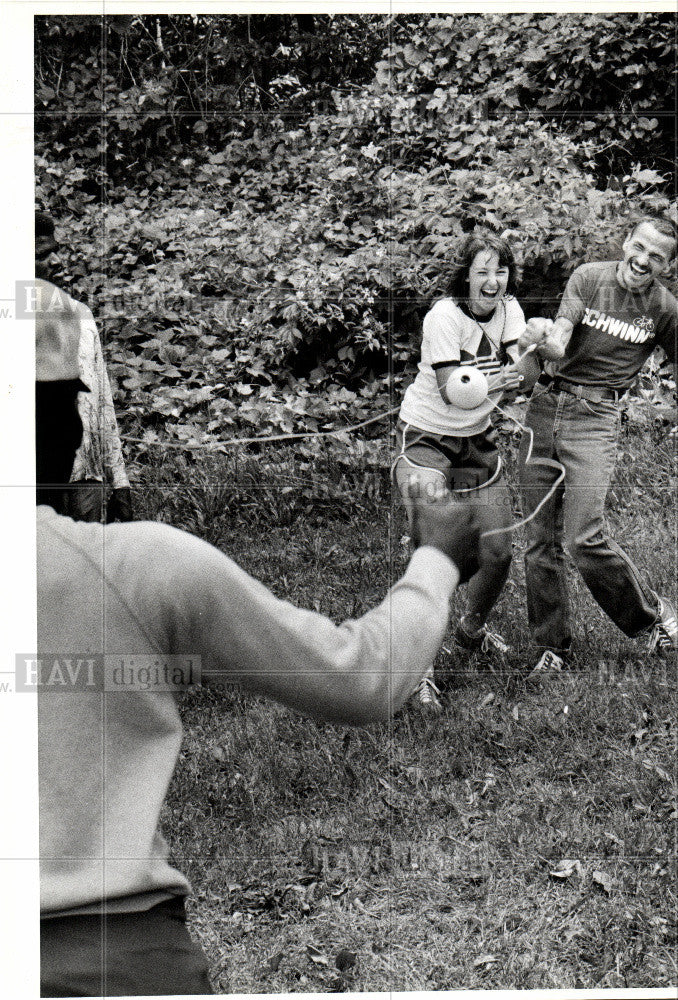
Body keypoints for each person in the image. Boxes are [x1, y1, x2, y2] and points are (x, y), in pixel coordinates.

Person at [36, 307, 480, 996]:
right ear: (66, 424)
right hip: (111, 959)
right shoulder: (138, 567)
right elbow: (361, 678)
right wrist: (437, 561)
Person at [518, 214, 678, 671]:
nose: (643, 260)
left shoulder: (666, 311)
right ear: (626, 242)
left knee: (584, 538)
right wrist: (544, 342)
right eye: (639, 247)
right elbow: (562, 334)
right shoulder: (589, 277)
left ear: (667, 265)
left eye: (657, 256)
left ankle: (651, 619)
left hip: (596, 419)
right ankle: (553, 647)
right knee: (538, 540)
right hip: (545, 408)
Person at [393, 232, 541, 713]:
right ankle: (419, 670)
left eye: (500, 271)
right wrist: (505, 378)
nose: (493, 280)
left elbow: (524, 380)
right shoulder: (443, 317)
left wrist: (530, 363)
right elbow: (454, 389)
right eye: (482, 270)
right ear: (465, 276)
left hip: (477, 441)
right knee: (436, 553)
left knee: (497, 552)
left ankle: (471, 630)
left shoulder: (510, 311)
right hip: (427, 438)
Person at [35, 209, 133, 522]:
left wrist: (120, 481)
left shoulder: (80, 315)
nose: (56, 262)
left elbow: (101, 398)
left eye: (55, 252)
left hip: (85, 475)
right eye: (42, 255)